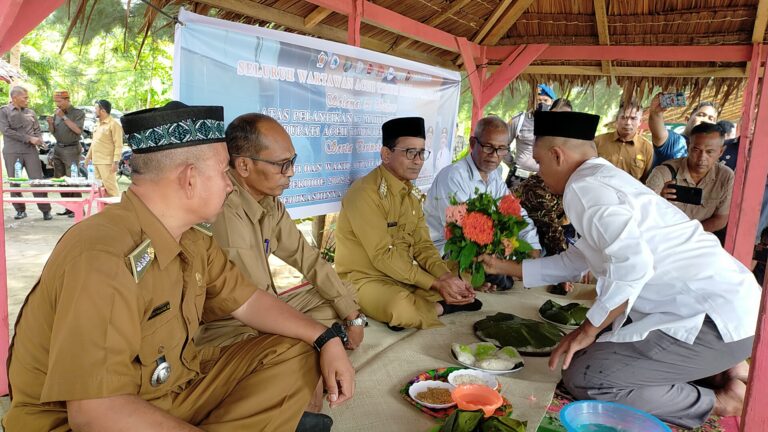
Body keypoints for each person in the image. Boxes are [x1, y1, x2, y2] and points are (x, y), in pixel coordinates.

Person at [3, 101, 354, 432]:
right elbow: (96, 414)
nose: (231, 184)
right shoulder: (102, 256)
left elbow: (249, 301)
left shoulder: (192, 238)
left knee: (294, 350)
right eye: (222, 172)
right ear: (190, 178)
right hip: (91, 421)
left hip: (169, 391)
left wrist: (325, 338)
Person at [479, 110, 758, 428]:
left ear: (557, 155)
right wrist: (506, 267)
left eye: (540, 164)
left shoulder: (583, 189)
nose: (540, 174)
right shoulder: (601, 179)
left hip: (710, 321)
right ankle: (723, 370)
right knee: (593, 349)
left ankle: (719, 401)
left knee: (585, 376)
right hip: (733, 311)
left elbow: (633, 266)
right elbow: (577, 260)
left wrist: (587, 330)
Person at [196, 113, 365, 417]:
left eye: (293, 161)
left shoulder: (267, 201)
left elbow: (307, 257)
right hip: (228, 324)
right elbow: (253, 301)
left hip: (261, 302)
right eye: (282, 164)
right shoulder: (226, 211)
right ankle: (306, 405)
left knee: (342, 295)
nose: (291, 173)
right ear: (244, 166)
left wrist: (352, 316)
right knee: (300, 347)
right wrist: (320, 337)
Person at [334, 117, 479, 331]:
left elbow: (423, 246)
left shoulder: (411, 194)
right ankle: (442, 307)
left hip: (405, 276)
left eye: (421, 153)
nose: (418, 160)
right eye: (410, 152)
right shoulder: (364, 193)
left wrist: (445, 277)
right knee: (399, 306)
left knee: (463, 272)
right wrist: (436, 284)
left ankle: (433, 302)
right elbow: (382, 255)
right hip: (367, 279)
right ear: (386, 154)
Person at [425, 115, 542, 288]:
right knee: (506, 279)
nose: (494, 156)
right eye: (488, 147)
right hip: (444, 252)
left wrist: (532, 248)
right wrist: (503, 265)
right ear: (473, 144)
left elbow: (516, 213)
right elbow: (463, 232)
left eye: (502, 149)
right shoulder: (454, 176)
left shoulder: (494, 175)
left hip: (479, 250)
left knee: (531, 261)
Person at [646, 123, 733, 233]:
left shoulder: (725, 177)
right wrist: (660, 201)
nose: (702, 158)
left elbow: (721, 219)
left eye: (709, 152)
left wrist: (689, 234)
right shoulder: (664, 173)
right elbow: (646, 211)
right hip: (664, 235)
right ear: (688, 146)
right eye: (696, 150)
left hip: (698, 240)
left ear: (721, 151)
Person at [0, 85, 52, 220]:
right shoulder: (4, 111)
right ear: (15, 98)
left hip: (30, 151)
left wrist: (39, 140)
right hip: (12, 152)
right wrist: (29, 138)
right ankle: (20, 210)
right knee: (14, 181)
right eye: (25, 97)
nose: (27, 100)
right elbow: (6, 131)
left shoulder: (31, 112)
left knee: (38, 180)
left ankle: (45, 210)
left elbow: (37, 130)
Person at [504, 83, 556, 189]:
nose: (542, 104)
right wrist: (512, 163)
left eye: (545, 100)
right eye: (538, 100)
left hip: (545, 180)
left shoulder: (557, 124)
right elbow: (503, 144)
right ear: (532, 101)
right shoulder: (519, 120)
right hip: (519, 179)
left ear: (552, 102)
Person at [648, 92, 718, 167]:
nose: (705, 120)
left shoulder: (712, 153)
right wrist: (656, 112)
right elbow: (659, 134)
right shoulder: (673, 141)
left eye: (711, 119)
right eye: (701, 115)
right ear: (687, 119)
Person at [48, 90, 86, 217]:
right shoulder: (57, 113)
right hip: (58, 148)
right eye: (56, 102)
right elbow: (54, 132)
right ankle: (68, 207)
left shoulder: (78, 113)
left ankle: (78, 209)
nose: (57, 104)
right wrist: (50, 124)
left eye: (59, 101)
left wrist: (64, 117)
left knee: (72, 179)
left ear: (67, 100)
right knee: (59, 179)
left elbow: (77, 130)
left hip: (71, 149)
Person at [595, 98, 653, 181]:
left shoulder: (647, 148)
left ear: (640, 121)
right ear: (616, 119)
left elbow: (647, 181)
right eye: (624, 117)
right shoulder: (598, 142)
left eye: (633, 118)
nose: (628, 122)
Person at [84, 99, 123, 197]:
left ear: (103, 111)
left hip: (107, 163)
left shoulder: (114, 125)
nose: (94, 111)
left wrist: (115, 162)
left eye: (96, 108)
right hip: (96, 162)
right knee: (100, 190)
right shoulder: (98, 124)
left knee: (111, 189)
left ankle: (117, 211)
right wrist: (88, 158)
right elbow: (94, 143)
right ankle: (104, 211)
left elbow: (118, 145)